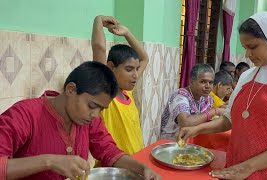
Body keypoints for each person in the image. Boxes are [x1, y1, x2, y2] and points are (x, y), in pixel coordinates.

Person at [179, 12, 267, 179]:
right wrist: (196, 129)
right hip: (240, 165)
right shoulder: (248, 76)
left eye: (253, 47)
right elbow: (229, 120)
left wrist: (249, 166)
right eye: (245, 48)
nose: (247, 55)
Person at [0, 61, 161, 180]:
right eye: (91, 106)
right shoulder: (24, 115)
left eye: (101, 109)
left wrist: (142, 168)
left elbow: (107, 150)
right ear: (71, 89)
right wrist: (49, 161)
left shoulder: (88, 119)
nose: (95, 115)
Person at [92, 16, 148, 155]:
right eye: (129, 69)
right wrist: (98, 20)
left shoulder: (127, 93)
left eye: (136, 69)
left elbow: (144, 59)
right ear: (111, 67)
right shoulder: (105, 94)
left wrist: (127, 33)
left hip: (136, 164)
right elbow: (99, 48)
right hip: (113, 169)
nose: (135, 75)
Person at [160, 64, 225, 141]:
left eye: (210, 82)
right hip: (172, 143)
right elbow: (185, 123)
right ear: (191, 81)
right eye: (203, 82)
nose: (207, 86)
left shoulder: (206, 97)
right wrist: (214, 111)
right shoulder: (180, 96)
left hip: (193, 140)